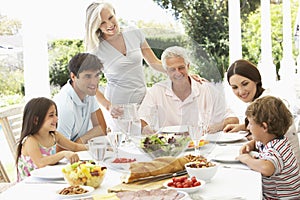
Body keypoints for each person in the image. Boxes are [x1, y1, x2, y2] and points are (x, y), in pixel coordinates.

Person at [84, 1, 204, 118]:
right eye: (102, 23)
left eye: (111, 17)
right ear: (96, 26)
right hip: (119, 108)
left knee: (150, 137)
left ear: (115, 13)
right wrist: (109, 106)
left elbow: (154, 63)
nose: (109, 25)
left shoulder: (133, 33)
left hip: (144, 101)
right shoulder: (96, 50)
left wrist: (183, 74)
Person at [138, 46, 238, 133]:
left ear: (188, 66)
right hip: (171, 149)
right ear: (166, 71)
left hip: (201, 146)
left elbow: (233, 119)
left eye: (181, 68)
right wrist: (150, 134)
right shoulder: (157, 91)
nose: (178, 73)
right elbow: (141, 119)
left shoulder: (206, 89)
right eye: (172, 69)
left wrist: (216, 127)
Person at [223, 59, 300, 165]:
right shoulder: (262, 100)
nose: (240, 91)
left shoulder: (268, 103)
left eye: (245, 84)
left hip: (285, 170)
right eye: (235, 87)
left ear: (256, 80)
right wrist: (242, 126)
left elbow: (270, 135)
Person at [237, 96, 300, 199]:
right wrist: (249, 145)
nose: (248, 127)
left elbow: (267, 168)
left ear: (264, 127)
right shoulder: (271, 140)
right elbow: (257, 145)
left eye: (251, 124)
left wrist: (247, 159)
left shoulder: (276, 149)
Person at [16, 97, 87, 182]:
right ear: (36, 119)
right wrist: (63, 154)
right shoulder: (30, 140)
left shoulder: (54, 135)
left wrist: (97, 147)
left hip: (48, 180)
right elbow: (40, 163)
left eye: (56, 115)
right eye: (51, 115)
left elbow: (75, 147)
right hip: (30, 185)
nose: (56, 119)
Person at [53, 53, 107, 152]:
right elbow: (61, 152)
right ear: (73, 76)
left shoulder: (88, 93)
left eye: (97, 75)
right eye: (87, 76)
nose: (94, 82)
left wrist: (78, 142)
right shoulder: (65, 107)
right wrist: (79, 146)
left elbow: (101, 128)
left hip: (78, 153)